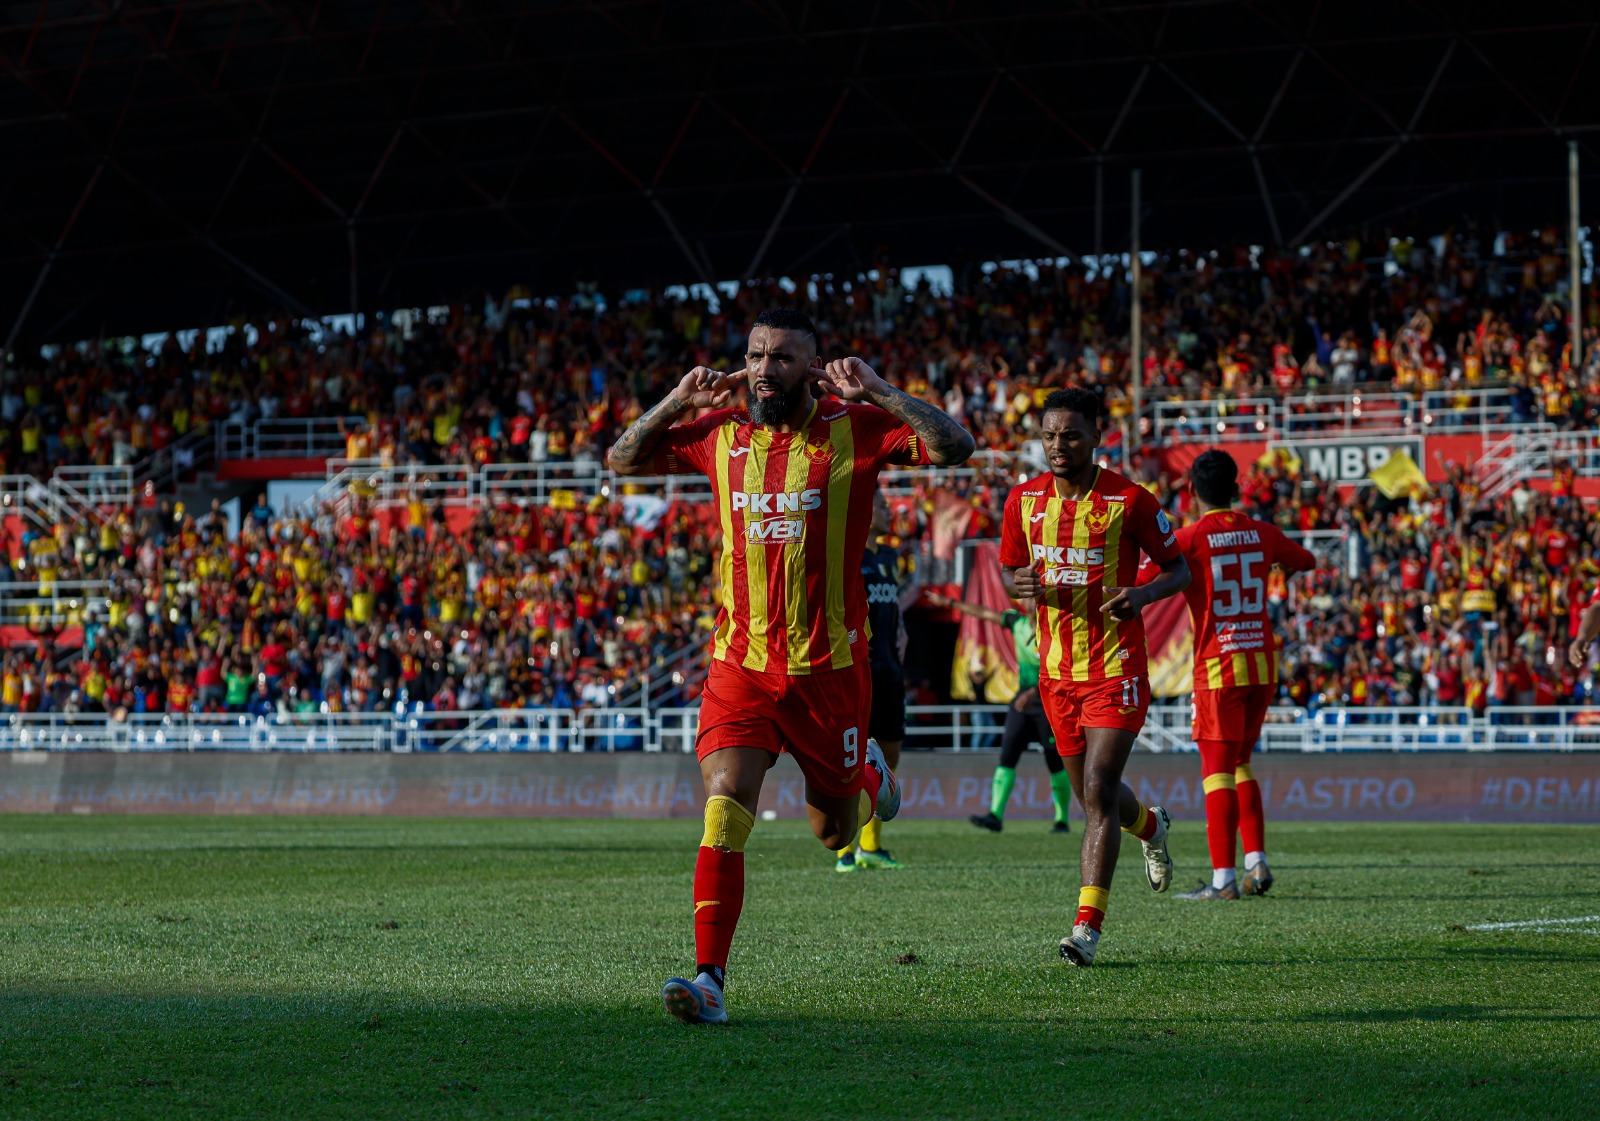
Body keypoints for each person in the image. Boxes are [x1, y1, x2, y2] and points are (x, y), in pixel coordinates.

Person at [608, 308, 974, 1023]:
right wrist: (678, 400)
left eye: (781, 358)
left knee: (833, 832)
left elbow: (954, 445)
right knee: (724, 809)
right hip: (740, 664)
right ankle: (709, 978)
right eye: (755, 355)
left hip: (830, 670)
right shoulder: (719, 436)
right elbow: (622, 459)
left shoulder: (855, 429)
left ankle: (866, 770)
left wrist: (881, 391)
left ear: (811, 367)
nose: (764, 369)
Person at [997, 387, 1190, 968]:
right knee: (1093, 798)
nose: (1059, 446)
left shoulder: (1130, 500)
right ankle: (1151, 825)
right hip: (1056, 675)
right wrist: (1017, 585)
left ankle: (1087, 927)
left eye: (1071, 435)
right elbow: (1009, 570)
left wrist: (1143, 594)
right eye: (1050, 436)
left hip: (1115, 668)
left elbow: (1178, 568)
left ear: (1096, 436)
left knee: (1100, 788)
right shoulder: (1023, 502)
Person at [1154, 450, 1316, 900]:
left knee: (1215, 771)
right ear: (1237, 488)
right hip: (1262, 666)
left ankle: (1224, 879)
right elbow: (1305, 561)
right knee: (1242, 764)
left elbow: (1150, 573)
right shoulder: (1262, 533)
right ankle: (1256, 861)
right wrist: (1274, 561)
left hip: (1218, 667)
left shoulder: (1188, 539)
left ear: (1191, 491)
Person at [924, 590, 1073, 834]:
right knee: (1008, 753)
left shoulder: (1053, 629)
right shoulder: (1017, 622)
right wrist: (948, 602)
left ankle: (1062, 820)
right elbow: (983, 613)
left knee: (1054, 758)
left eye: (1031, 597)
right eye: (1023, 597)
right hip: (1023, 698)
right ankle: (995, 815)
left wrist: (1034, 692)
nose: (1025, 601)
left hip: (1049, 698)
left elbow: (1061, 669)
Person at [835, 490, 911, 872]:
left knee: (889, 755)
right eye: (882, 506)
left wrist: (902, 631)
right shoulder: (849, 556)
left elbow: (889, 608)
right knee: (855, 756)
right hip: (859, 667)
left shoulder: (889, 557)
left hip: (890, 670)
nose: (888, 512)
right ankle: (845, 849)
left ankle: (871, 847)